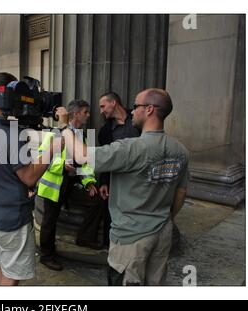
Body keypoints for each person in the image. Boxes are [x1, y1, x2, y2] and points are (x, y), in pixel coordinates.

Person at [61, 88, 189, 285]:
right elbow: (181, 192)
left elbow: (81, 156)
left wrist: (65, 127)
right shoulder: (180, 150)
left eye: (136, 106)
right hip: (162, 232)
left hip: (131, 238)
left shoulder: (130, 147)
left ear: (149, 110)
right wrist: (167, 218)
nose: (132, 111)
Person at [0, 72, 63, 285]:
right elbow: (29, 177)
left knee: (5, 266)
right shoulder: (10, 132)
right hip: (10, 219)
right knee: (12, 277)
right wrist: (52, 149)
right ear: (10, 94)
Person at [37, 99, 103, 272]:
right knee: (49, 221)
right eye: (86, 112)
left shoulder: (82, 136)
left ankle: (84, 238)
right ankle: (46, 256)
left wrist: (89, 182)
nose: (88, 116)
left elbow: (85, 164)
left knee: (97, 200)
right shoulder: (55, 133)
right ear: (76, 114)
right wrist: (62, 166)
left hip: (73, 183)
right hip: (55, 184)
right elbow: (42, 158)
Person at [97, 92, 141, 247]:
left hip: (139, 179)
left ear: (113, 102)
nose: (101, 111)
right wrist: (103, 182)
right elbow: (104, 158)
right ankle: (110, 246)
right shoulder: (105, 132)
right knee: (111, 212)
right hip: (117, 179)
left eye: (103, 106)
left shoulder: (138, 117)